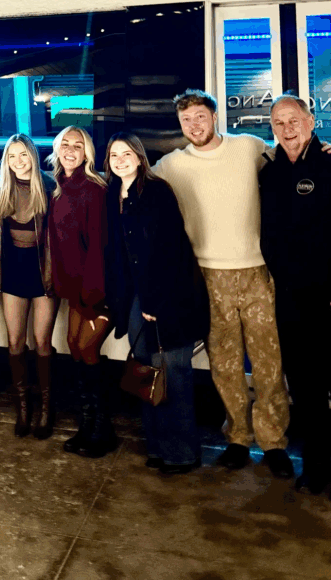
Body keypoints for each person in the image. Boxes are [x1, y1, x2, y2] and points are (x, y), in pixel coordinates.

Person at [152, 89, 294, 479]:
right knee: (225, 364)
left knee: (268, 361)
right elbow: (135, 183)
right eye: (186, 121)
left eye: (200, 117)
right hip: (207, 276)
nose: (193, 125)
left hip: (256, 272)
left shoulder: (248, 148)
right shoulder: (171, 165)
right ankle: (238, 437)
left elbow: (292, 158)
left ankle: (274, 442)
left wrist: (326, 150)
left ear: (214, 117)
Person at [260, 94, 331, 506]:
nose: (286, 129)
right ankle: (316, 466)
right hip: (292, 301)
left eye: (294, 120)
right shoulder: (269, 173)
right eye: (278, 122)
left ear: (311, 122)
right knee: (306, 390)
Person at [104, 133, 210, 474]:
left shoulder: (157, 191)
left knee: (173, 372)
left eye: (126, 154)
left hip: (168, 296)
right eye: (114, 155)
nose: (120, 160)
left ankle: (182, 454)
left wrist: (156, 300)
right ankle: (157, 446)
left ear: (139, 157)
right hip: (135, 298)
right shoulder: (112, 194)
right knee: (146, 372)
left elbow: (172, 250)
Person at [47, 126, 116, 458]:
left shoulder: (94, 188)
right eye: (65, 144)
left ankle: (103, 430)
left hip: (97, 289)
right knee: (74, 345)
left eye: (78, 145)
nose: (70, 149)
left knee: (87, 348)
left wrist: (96, 299)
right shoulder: (58, 187)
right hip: (73, 289)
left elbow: (100, 247)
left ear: (87, 152)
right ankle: (87, 426)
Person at [0, 133, 58, 439]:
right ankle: (24, 408)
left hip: (44, 272)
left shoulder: (50, 188)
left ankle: (46, 409)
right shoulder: (0, 191)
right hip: (13, 273)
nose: (18, 161)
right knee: (15, 341)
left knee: (42, 341)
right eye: (12, 156)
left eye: (23, 155)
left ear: (33, 155)